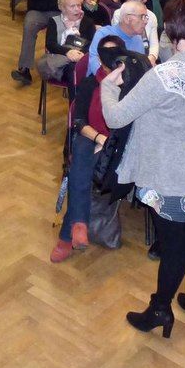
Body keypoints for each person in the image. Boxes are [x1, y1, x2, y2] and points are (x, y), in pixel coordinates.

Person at [99, 0, 185, 336]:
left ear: (168, 32)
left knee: (173, 244)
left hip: (170, 177)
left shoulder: (163, 76)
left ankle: (160, 309)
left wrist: (107, 88)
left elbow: (115, 116)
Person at [51, 35, 120, 264]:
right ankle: (78, 224)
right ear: (99, 58)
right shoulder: (91, 83)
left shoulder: (130, 85)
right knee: (81, 154)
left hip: (116, 144)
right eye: (107, 53)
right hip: (91, 136)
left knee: (81, 167)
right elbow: (79, 121)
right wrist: (99, 137)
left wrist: (107, 140)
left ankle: (67, 234)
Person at [36, 0, 95, 85]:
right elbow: (50, 44)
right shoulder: (54, 21)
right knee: (74, 71)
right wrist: (68, 52)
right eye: (72, 6)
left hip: (81, 60)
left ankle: (77, 99)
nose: (77, 9)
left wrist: (80, 55)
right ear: (61, 7)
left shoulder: (88, 22)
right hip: (58, 62)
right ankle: (76, 99)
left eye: (79, 5)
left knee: (76, 70)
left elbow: (92, 44)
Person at [88, 0, 149, 72]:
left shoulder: (138, 39)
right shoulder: (104, 34)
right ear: (127, 19)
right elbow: (95, 65)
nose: (145, 21)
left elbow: (140, 68)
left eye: (146, 17)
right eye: (142, 17)